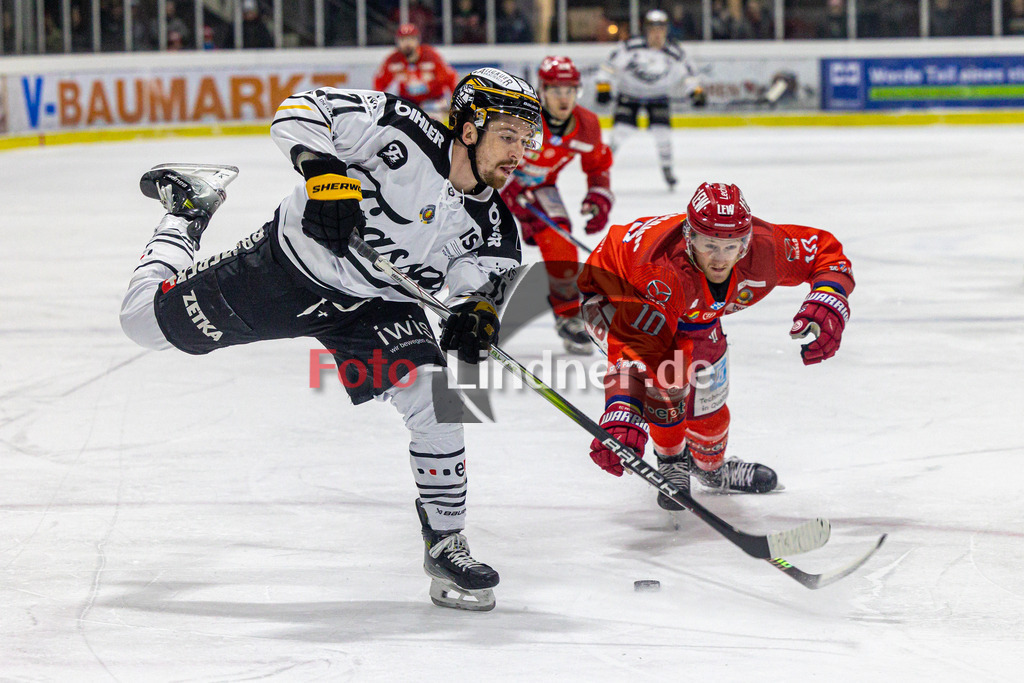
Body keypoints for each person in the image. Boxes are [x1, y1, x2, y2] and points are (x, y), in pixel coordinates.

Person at [118, 68, 543, 611]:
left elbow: (476, 299)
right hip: (286, 270)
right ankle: (188, 212)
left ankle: (446, 543)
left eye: (527, 140)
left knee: (437, 399)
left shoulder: (495, 232)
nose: (519, 153)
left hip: (373, 307)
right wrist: (322, 173)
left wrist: (475, 321)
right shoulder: (399, 129)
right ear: (468, 127)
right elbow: (300, 109)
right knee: (142, 324)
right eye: (508, 136)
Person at [578, 182, 854, 509]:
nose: (720, 259)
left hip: (691, 306)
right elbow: (636, 350)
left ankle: (711, 468)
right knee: (669, 376)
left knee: (709, 409)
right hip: (615, 295)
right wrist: (624, 409)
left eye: (731, 246)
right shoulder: (660, 270)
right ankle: (671, 460)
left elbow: (822, 251)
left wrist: (830, 296)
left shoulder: (767, 247)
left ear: (747, 241)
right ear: (689, 236)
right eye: (709, 245)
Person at [500, 56, 614, 355]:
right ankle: (470, 313)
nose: (563, 98)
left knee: (562, 240)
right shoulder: (521, 117)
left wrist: (599, 196)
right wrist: (503, 184)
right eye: (555, 90)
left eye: (570, 90)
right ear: (542, 89)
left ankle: (568, 318)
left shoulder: (587, 126)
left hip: (539, 188)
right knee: (487, 248)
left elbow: (597, 165)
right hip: (492, 186)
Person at [596, 9, 705, 191]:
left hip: (658, 97)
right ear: (646, 30)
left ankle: (667, 169)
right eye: (653, 29)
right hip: (629, 96)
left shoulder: (675, 52)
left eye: (661, 29)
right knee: (619, 133)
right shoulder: (630, 47)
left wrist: (696, 92)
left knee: (663, 135)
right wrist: (603, 87)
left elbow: (690, 75)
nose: (657, 33)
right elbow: (608, 67)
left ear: (666, 30)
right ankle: (600, 168)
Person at [373, 23, 459, 118]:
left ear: (418, 40)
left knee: (433, 125)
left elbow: (450, 78)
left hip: (433, 101)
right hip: (407, 102)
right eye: (403, 40)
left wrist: (456, 103)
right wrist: (379, 105)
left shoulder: (431, 56)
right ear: (397, 42)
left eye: (411, 39)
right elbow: (379, 83)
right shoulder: (393, 60)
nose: (407, 43)